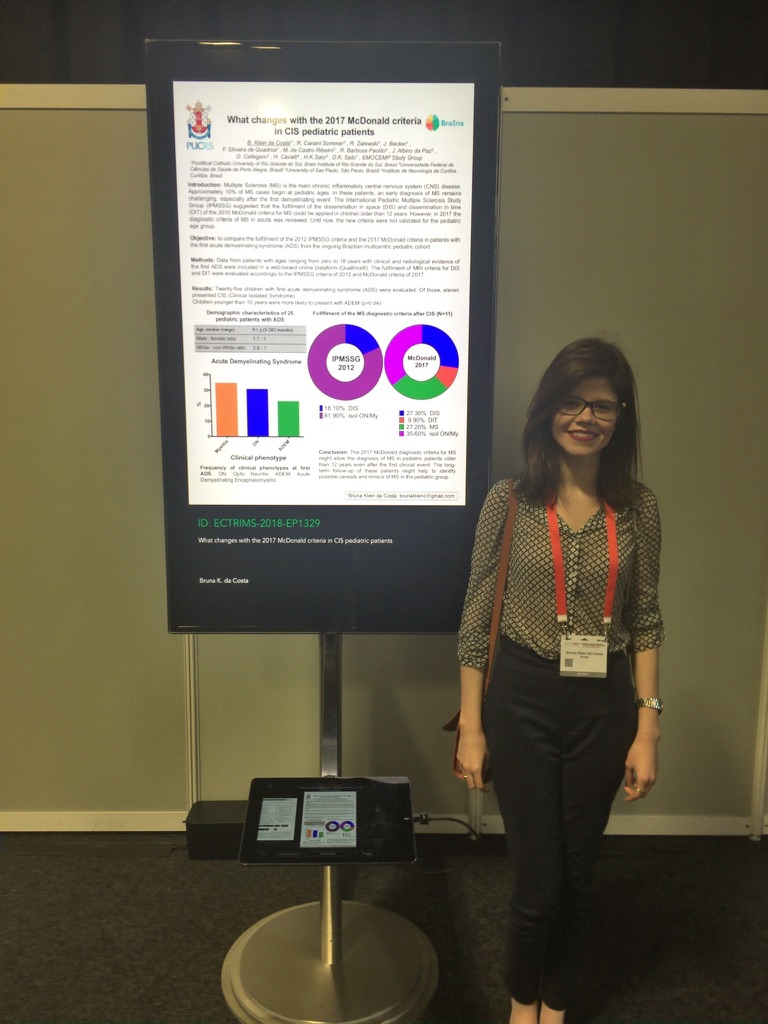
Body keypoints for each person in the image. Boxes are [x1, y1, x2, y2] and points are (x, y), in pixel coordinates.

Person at [456, 338, 664, 1024]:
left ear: (620, 418)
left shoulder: (637, 510)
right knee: (539, 883)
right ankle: (523, 1003)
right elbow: (475, 618)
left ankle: (559, 1002)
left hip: (603, 704)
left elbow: (644, 619)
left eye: (602, 405)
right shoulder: (509, 502)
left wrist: (646, 727)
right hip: (521, 699)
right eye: (573, 401)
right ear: (549, 409)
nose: (586, 416)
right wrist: (474, 728)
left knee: (577, 876)